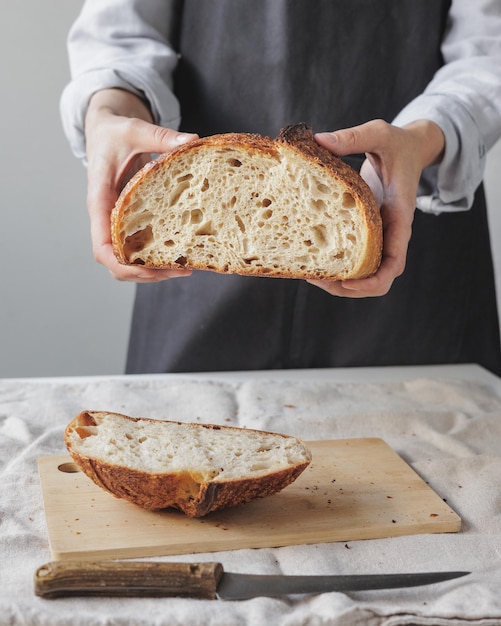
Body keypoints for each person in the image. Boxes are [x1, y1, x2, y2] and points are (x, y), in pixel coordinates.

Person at [61, 0, 501, 375]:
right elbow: (122, 32)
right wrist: (109, 111)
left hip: (410, 239)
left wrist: (423, 138)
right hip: (198, 238)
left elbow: (489, 47)